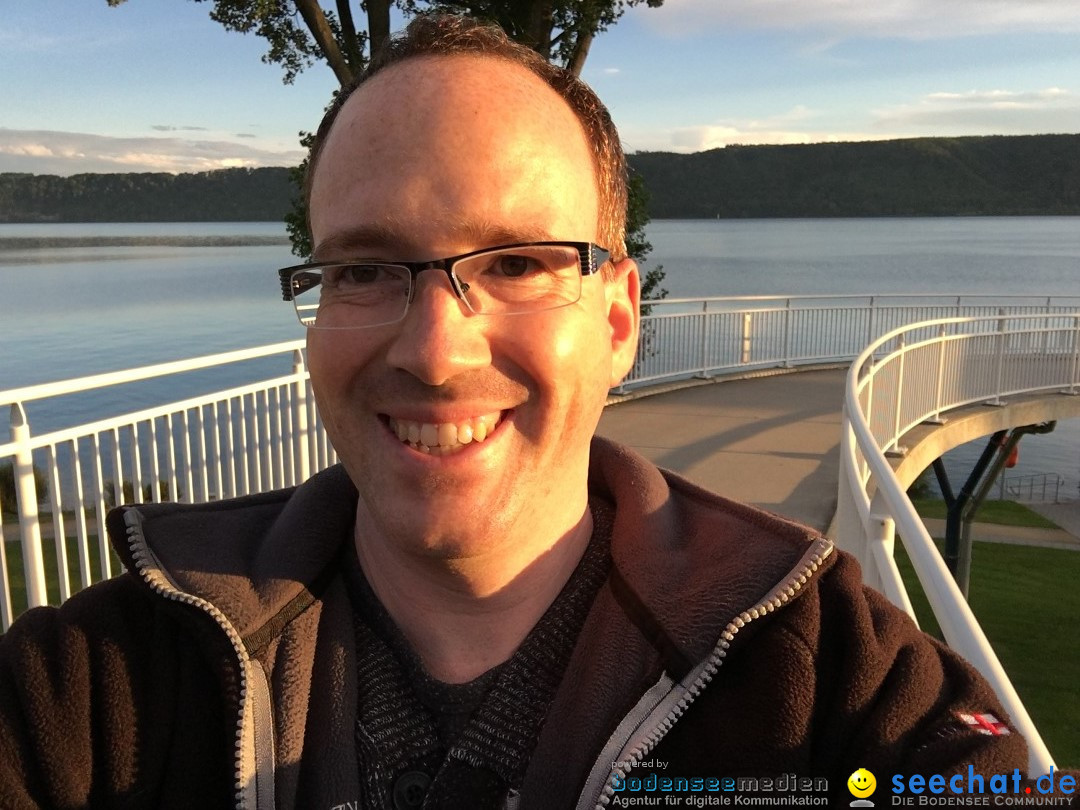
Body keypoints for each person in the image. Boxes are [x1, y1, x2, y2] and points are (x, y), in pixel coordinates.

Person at [0, 14, 1039, 810]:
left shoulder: (826, 674)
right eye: (365, 268)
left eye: (516, 263)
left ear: (621, 318)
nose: (435, 351)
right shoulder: (101, 687)